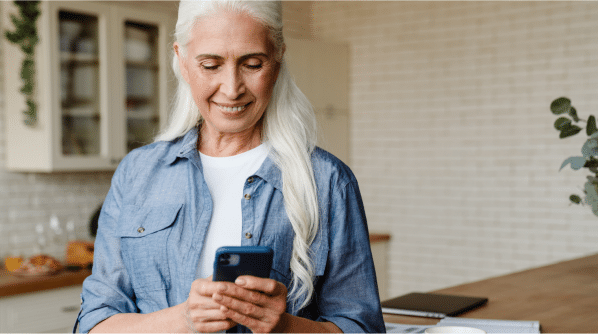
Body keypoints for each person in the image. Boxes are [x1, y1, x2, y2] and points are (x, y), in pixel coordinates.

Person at [77, 0, 385, 333]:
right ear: (181, 59)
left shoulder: (327, 181)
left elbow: (362, 327)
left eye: (252, 64)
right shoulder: (137, 173)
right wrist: (183, 319)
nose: (232, 88)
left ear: (278, 58)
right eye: (211, 65)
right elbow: (95, 323)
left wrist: (283, 327)